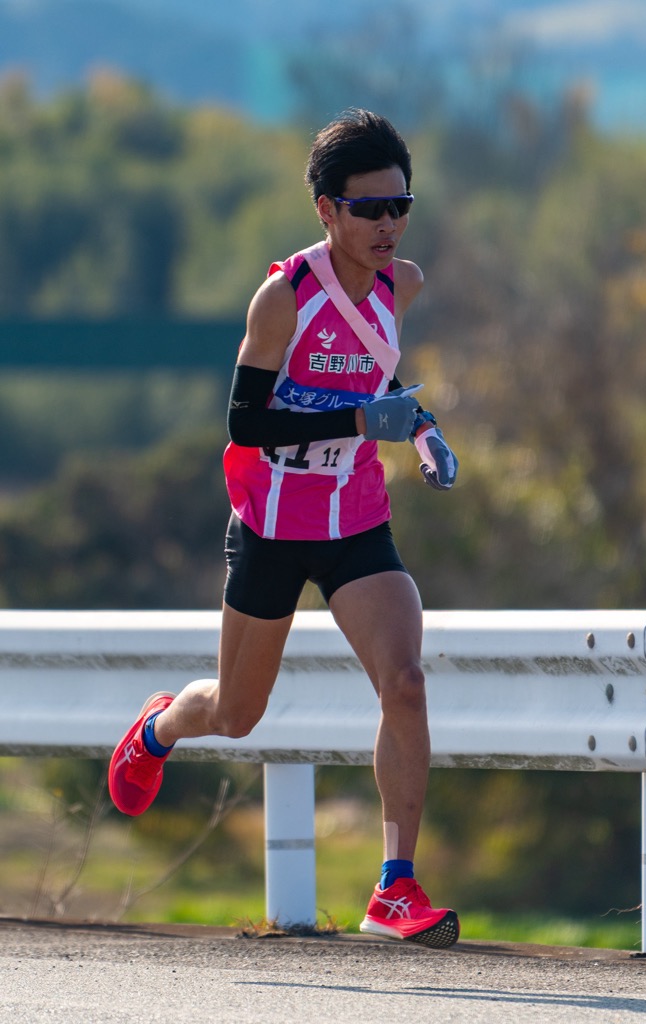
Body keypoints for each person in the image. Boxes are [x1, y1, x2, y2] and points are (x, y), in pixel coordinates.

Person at [108, 108, 460, 949]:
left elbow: (377, 376)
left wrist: (419, 428)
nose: (387, 225)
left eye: (399, 206)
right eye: (368, 209)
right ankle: (159, 726)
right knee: (236, 714)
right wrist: (359, 420)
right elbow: (245, 423)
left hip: (354, 518)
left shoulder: (403, 284)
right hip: (271, 522)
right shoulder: (283, 298)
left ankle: (394, 887)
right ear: (326, 210)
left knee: (405, 682)